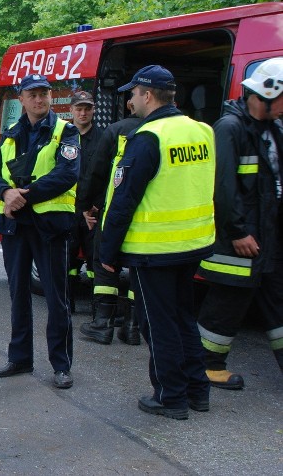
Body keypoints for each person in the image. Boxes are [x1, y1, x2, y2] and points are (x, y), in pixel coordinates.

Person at [99, 65, 215, 420]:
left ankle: (170, 397)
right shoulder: (202, 130)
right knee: (182, 319)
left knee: (158, 325)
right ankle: (198, 391)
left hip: (155, 251)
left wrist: (107, 252)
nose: (130, 100)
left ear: (148, 95)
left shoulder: (149, 137)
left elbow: (123, 201)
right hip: (193, 244)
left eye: (133, 93)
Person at [0, 73, 80, 389]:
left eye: (44, 94)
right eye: (33, 94)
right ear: (22, 99)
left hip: (51, 228)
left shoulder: (65, 132)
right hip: (16, 228)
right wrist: (4, 193)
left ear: (51, 97)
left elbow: (66, 174)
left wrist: (22, 196)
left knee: (57, 299)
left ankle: (61, 366)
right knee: (18, 295)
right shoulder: (10, 135)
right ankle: (20, 358)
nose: (40, 99)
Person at [196, 57, 283, 389]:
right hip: (239, 239)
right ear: (267, 92)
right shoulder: (230, 129)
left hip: (267, 235)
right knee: (228, 302)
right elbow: (222, 187)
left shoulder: (272, 129)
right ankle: (208, 364)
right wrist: (239, 231)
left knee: (277, 300)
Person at [77, 98, 142, 345]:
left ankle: (102, 324)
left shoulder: (116, 130)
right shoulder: (163, 131)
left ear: (130, 105)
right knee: (138, 270)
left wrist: (86, 206)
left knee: (105, 262)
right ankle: (133, 327)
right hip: (148, 216)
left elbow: (96, 172)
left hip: (114, 212)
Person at [67, 91, 101, 310]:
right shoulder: (63, 137)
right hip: (69, 209)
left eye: (87, 108)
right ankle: (66, 302)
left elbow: (108, 175)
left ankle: (97, 310)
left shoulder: (104, 138)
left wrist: (96, 206)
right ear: (71, 110)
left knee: (95, 261)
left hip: (93, 211)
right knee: (67, 259)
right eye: (79, 109)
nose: (83, 113)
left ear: (93, 110)